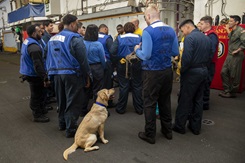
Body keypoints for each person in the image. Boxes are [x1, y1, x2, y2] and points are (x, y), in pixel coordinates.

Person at [134, 4, 179, 144]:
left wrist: (136, 50)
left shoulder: (147, 31)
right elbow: (175, 52)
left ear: (148, 16)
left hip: (152, 72)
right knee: (165, 101)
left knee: (149, 103)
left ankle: (150, 134)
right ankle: (167, 131)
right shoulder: (171, 30)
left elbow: (146, 55)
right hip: (167, 71)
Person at [46, 14, 91, 138]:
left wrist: (48, 74)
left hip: (56, 73)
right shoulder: (75, 38)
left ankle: (62, 124)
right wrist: (87, 75)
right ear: (72, 24)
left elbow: (47, 56)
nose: (78, 26)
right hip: (71, 74)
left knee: (62, 100)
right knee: (73, 101)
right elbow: (83, 60)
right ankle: (71, 128)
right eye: (77, 23)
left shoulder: (52, 39)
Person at [173, 19, 212, 135]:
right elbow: (210, 56)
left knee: (185, 99)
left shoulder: (190, 38)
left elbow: (187, 59)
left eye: (182, 30)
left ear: (187, 27)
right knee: (198, 100)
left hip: (191, 73)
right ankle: (195, 127)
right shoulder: (206, 38)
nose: (183, 33)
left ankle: (180, 126)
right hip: (204, 71)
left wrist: (182, 71)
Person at [110, 22, 143, 115]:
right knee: (137, 86)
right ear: (134, 29)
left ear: (124, 29)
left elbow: (112, 51)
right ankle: (139, 109)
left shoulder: (119, 38)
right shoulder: (139, 37)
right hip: (136, 63)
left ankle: (121, 108)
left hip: (123, 64)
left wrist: (117, 61)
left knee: (123, 86)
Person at [19, 24, 50, 123]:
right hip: (34, 74)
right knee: (37, 94)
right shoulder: (34, 47)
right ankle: (37, 114)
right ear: (33, 33)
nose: (41, 32)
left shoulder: (28, 41)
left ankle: (41, 109)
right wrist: (45, 77)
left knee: (40, 93)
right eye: (38, 31)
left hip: (30, 72)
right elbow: (38, 65)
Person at [220, 15, 245, 98]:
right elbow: (232, 38)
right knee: (223, 72)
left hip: (237, 55)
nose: (229, 23)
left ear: (236, 22)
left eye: (231, 21)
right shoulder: (233, 31)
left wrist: (238, 50)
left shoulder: (241, 31)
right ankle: (227, 90)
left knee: (234, 75)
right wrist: (227, 30)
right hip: (230, 55)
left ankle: (232, 92)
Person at [199, 16, 219, 110]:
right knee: (202, 83)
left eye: (202, 24)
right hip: (203, 63)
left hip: (209, 64)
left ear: (208, 24)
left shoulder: (212, 35)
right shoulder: (204, 34)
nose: (200, 25)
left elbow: (211, 50)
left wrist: (205, 62)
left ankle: (205, 104)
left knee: (206, 83)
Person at [84, 24, 106, 100]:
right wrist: (103, 68)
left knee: (86, 87)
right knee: (98, 88)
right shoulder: (98, 44)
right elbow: (103, 59)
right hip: (97, 67)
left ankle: (83, 109)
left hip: (86, 67)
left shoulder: (82, 43)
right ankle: (97, 106)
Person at [98, 24, 116, 108]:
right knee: (108, 82)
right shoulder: (107, 38)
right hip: (107, 62)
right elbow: (112, 51)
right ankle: (109, 102)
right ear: (105, 29)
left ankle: (99, 101)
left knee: (99, 83)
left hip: (97, 63)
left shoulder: (94, 37)